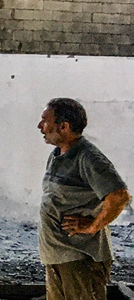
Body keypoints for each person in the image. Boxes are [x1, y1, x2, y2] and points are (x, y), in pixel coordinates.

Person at [36, 98, 130, 300]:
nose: (40, 126)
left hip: (80, 259)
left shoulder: (89, 157)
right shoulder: (57, 155)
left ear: (64, 126)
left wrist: (93, 227)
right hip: (58, 257)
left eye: (45, 121)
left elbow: (119, 196)